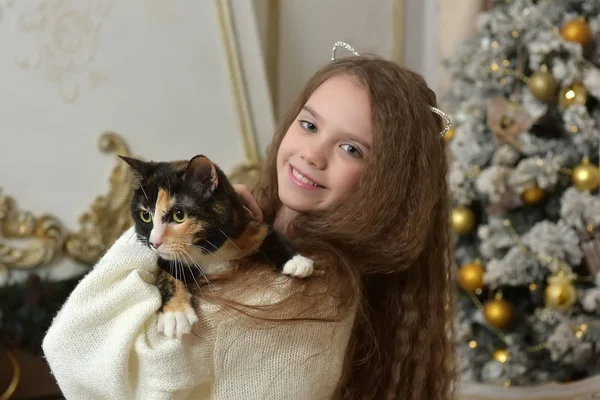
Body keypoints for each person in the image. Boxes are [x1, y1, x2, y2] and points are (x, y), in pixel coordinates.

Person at [42, 44, 456, 399]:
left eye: (351, 148)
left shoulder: (303, 293)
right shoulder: (262, 242)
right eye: (309, 125)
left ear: (386, 183)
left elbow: (73, 348)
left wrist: (154, 236)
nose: (313, 154)